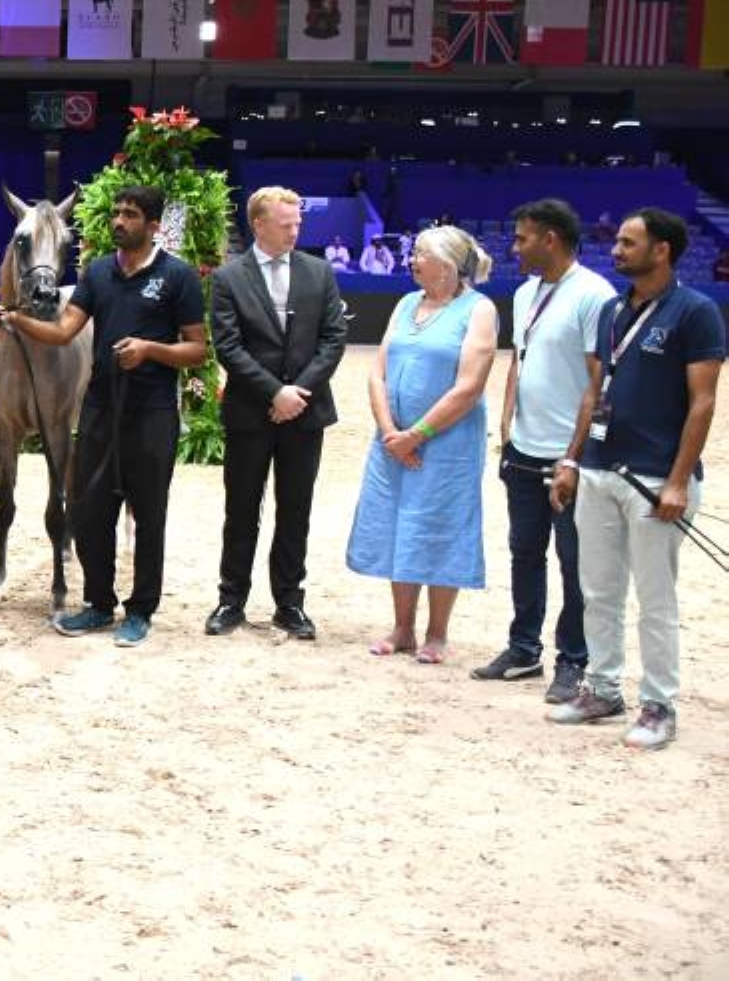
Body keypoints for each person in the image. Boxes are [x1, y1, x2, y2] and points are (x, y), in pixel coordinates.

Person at [0, 185, 207, 647]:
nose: (118, 221)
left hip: (151, 411)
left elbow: (197, 348)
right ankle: (97, 603)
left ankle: (140, 611)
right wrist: (16, 319)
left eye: (130, 215)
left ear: (152, 226)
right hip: (100, 407)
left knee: (148, 513)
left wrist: (150, 350)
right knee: (91, 510)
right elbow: (65, 329)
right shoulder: (97, 273)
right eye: (117, 213)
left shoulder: (177, 277)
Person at [548, 209, 724, 749]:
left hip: (655, 478)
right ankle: (601, 686)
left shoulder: (696, 313)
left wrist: (676, 482)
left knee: (655, 597)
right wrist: (572, 460)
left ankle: (658, 704)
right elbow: (593, 391)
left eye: (628, 243)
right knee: (597, 588)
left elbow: (704, 402)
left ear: (662, 250)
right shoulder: (611, 310)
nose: (616, 249)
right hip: (600, 468)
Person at [471, 200, 614, 699]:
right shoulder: (528, 291)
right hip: (524, 448)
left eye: (522, 238)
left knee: (575, 562)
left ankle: (574, 659)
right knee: (524, 552)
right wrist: (508, 420)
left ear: (549, 239)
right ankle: (523, 648)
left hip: (566, 455)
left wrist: (574, 455)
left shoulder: (595, 295)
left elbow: (599, 381)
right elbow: (521, 358)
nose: (515, 247)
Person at [345, 226, 498, 665]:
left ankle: (437, 633)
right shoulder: (406, 303)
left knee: (438, 527)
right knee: (396, 524)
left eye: (420, 255)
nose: (411, 261)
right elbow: (377, 372)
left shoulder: (479, 310)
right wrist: (391, 431)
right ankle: (402, 627)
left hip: (446, 445)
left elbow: (468, 387)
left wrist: (417, 435)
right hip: (391, 440)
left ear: (448, 265)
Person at [206, 186, 347, 641]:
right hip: (250, 413)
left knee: (295, 512)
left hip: (305, 415)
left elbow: (333, 340)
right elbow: (228, 346)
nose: (295, 230)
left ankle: (290, 603)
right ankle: (231, 601)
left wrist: (297, 392)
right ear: (259, 224)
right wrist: (273, 392)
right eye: (286, 224)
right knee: (241, 508)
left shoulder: (319, 272)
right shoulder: (229, 278)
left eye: (298, 223)